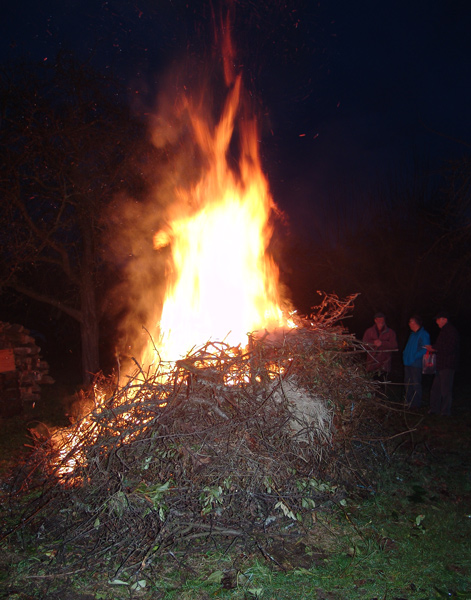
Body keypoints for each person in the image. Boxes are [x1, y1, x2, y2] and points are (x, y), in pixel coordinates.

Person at [425, 311, 459, 416]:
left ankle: (445, 412)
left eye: (438, 319)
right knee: (435, 389)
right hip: (440, 365)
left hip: (447, 365)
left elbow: (449, 348)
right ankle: (434, 409)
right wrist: (433, 348)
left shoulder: (451, 331)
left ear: (444, 319)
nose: (436, 322)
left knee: (445, 390)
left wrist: (434, 349)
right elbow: (441, 345)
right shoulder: (444, 331)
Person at [402, 315, 430, 408]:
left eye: (411, 322)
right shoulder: (412, 334)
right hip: (408, 363)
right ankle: (408, 403)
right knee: (408, 384)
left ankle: (415, 404)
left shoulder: (423, 334)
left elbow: (426, 349)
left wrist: (414, 357)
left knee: (415, 384)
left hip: (416, 364)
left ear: (415, 323)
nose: (409, 324)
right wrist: (405, 355)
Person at [362, 312, 398, 378]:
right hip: (371, 364)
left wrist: (382, 343)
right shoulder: (369, 332)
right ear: (375, 320)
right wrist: (373, 343)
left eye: (382, 320)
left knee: (382, 385)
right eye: (379, 320)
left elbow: (394, 345)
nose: (381, 322)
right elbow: (364, 345)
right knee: (372, 385)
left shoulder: (390, 332)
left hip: (384, 364)